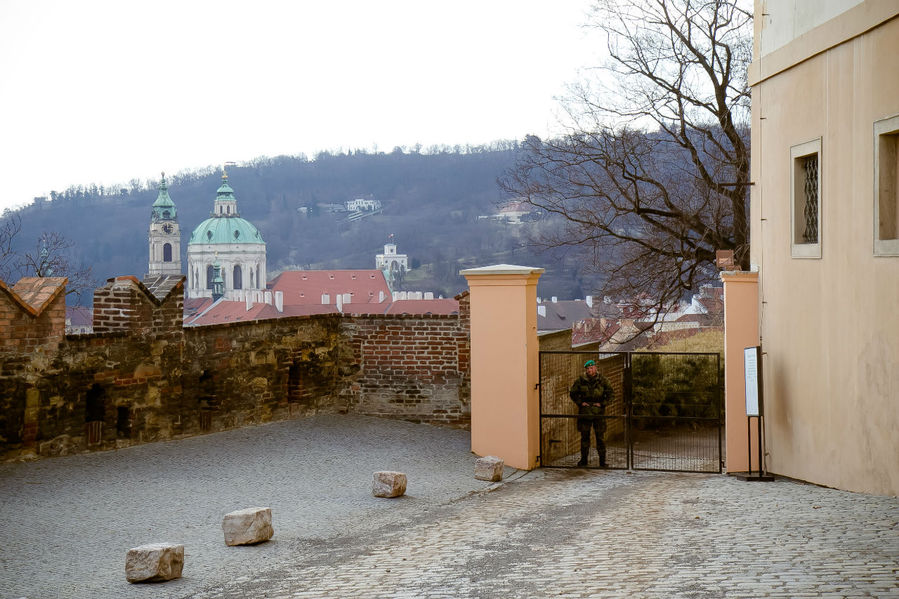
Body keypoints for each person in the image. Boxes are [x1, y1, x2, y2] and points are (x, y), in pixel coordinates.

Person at [569, 359, 614, 467]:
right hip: (585, 413)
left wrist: (602, 403)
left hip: (598, 413)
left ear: (595, 368)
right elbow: (573, 393)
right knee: (585, 438)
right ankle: (583, 460)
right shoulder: (581, 380)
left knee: (600, 438)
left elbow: (611, 394)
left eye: (591, 368)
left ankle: (602, 462)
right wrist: (580, 403)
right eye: (588, 368)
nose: (589, 370)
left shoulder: (603, 380)